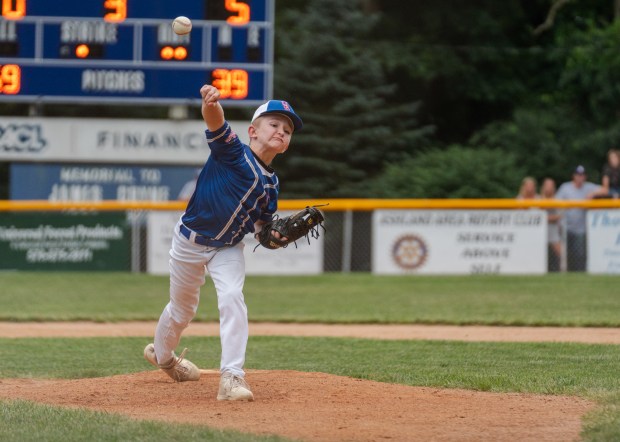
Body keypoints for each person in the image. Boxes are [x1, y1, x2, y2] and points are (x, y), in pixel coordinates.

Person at [144, 84, 303, 401]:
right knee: (182, 311)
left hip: (227, 247)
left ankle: (232, 377)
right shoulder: (233, 152)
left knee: (232, 296)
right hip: (189, 242)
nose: (281, 132)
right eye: (274, 124)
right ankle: (164, 358)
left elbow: (263, 229)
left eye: (287, 129)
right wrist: (210, 103)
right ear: (253, 131)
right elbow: (215, 122)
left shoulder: (272, 183)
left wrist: (277, 237)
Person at [555, 165, 600, 271]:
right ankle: (565, 272)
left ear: (585, 177)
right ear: (573, 176)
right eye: (578, 175)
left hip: (581, 228)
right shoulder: (565, 187)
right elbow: (555, 202)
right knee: (565, 253)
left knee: (579, 253)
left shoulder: (589, 187)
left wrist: (593, 193)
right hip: (565, 227)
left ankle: (579, 272)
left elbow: (605, 190)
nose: (580, 177)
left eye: (582, 175)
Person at [540, 178, 562, 272]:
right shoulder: (538, 199)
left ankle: (563, 270)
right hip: (540, 231)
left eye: (551, 185)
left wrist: (544, 218)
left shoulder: (557, 200)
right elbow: (536, 215)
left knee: (559, 252)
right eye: (547, 185)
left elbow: (558, 216)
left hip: (553, 230)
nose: (549, 188)